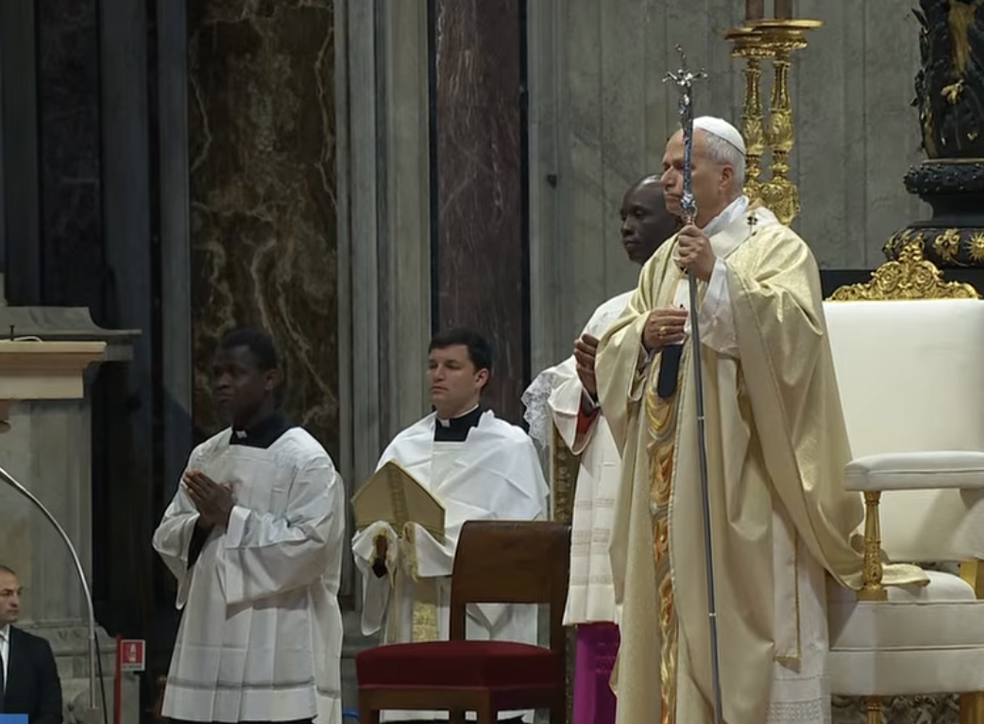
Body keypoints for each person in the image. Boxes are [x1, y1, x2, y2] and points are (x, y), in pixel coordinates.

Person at [593, 116, 924, 724]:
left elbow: (796, 344)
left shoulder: (778, 248)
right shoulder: (664, 257)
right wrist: (641, 334)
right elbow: (619, 340)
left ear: (724, 176)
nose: (666, 178)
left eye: (680, 167)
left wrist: (717, 280)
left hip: (745, 473)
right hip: (671, 468)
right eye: (665, 166)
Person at [521, 174, 676, 724]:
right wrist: (591, 385)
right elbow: (562, 396)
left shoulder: (699, 304)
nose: (626, 228)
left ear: (680, 218)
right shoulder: (613, 313)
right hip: (612, 499)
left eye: (639, 215)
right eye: (621, 216)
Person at [352, 327, 548, 723]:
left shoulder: (510, 449)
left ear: (481, 378)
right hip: (411, 609)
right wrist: (382, 545)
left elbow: (518, 546)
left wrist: (427, 543)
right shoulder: (402, 446)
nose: (437, 374)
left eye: (451, 366)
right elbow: (371, 526)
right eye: (432, 365)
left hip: (478, 623)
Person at [153, 327, 346, 724]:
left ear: (270, 379)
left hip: (276, 643)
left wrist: (232, 517)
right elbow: (166, 536)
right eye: (217, 372)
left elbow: (312, 548)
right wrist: (201, 524)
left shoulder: (306, 459)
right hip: (208, 635)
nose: (222, 382)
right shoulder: (207, 454)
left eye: (236, 373)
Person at [0, 564, 64, 724]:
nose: (15, 601)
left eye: (18, 593)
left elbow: (51, 713)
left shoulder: (37, 650)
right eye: (6, 594)